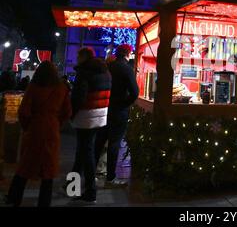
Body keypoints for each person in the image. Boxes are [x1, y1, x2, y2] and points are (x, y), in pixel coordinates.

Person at [4, 61, 71, 207]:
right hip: (52, 128)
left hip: (35, 127)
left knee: (25, 165)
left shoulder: (33, 87)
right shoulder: (62, 88)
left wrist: (27, 126)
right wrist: (57, 122)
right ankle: (44, 202)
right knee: (49, 168)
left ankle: (14, 198)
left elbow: (24, 111)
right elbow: (67, 111)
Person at [70, 47, 111, 203]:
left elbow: (78, 97)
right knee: (83, 150)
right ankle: (71, 185)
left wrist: (71, 114)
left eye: (78, 56)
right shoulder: (105, 72)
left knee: (85, 152)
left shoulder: (84, 73)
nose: (76, 59)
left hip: (85, 116)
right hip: (100, 116)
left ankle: (90, 191)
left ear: (83, 57)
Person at [95, 44, 138, 187]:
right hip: (119, 111)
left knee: (99, 142)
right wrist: (124, 104)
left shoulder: (108, 67)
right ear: (128, 54)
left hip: (104, 109)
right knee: (114, 144)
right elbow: (134, 92)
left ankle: (92, 174)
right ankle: (111, 178)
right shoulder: (127, 69)